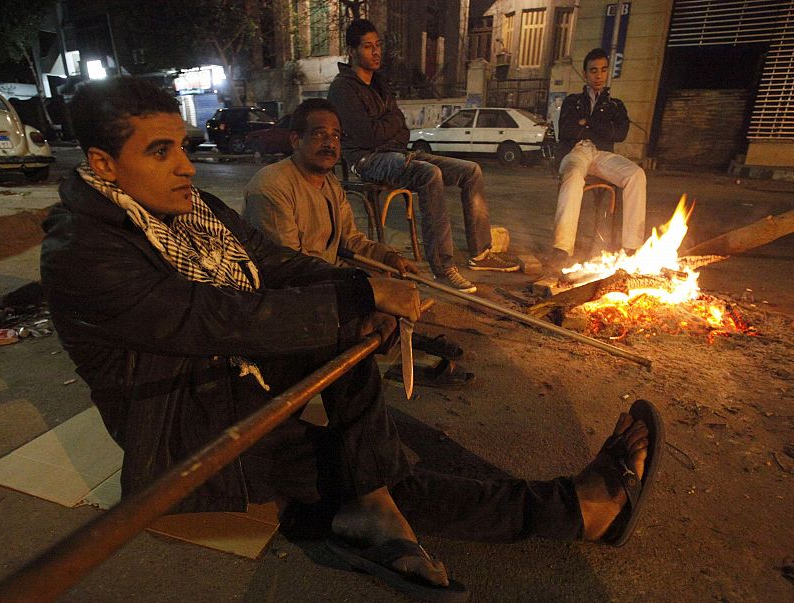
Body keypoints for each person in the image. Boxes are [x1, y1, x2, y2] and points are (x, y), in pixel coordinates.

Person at [41, 77, 663, 602]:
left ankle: (372, 498)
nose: (184, 164)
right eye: (160, 152)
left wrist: (367, 285)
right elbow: (213, 317)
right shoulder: (82, 250)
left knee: (375, 426)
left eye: (180, 146)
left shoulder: (191, 208)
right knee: (388, 468)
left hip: (242, 376)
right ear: (103, 165)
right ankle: (579, 510)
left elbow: (275, 264)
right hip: (186, 420)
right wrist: (358, 296)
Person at [243, 98, 472, 388]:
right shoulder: (272, 187)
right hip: (292, 298)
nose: (330, 143)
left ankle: (399, 344)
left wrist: (389, 259)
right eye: (319, 133)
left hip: (324, 280)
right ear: (295, 139)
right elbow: (289, 270)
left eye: (336, 135)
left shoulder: (330, 185)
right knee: (375, 302)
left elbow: (351, 241)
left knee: (393, 284)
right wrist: (363, 291)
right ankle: (389, 358)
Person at [327, 18, 520, 295]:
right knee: (430, 174)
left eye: (378, 45)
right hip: (365, 161)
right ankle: (443, 268)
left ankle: (480, 253)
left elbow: (403, 129)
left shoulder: (380, 84)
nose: (376, 52)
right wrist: (390, 125)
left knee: (471, 170)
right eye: (368, 47)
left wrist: (388, 127)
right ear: (353, 51)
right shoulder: (343, 88)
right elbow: (366, 137)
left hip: (394, 152)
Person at [549, 48, 647, 274]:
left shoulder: (615, 105)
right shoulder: (572, 101)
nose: (599, 75)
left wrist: (586, 123)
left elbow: (619, 133)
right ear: (585, 74)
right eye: (593, 71)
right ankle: (561, 249)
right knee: (573, 176)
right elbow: (566, 130)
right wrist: (595, 127)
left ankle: (631, 247)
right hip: (576, 151)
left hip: (601, 154)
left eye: (603, 70)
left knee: (636, 175)